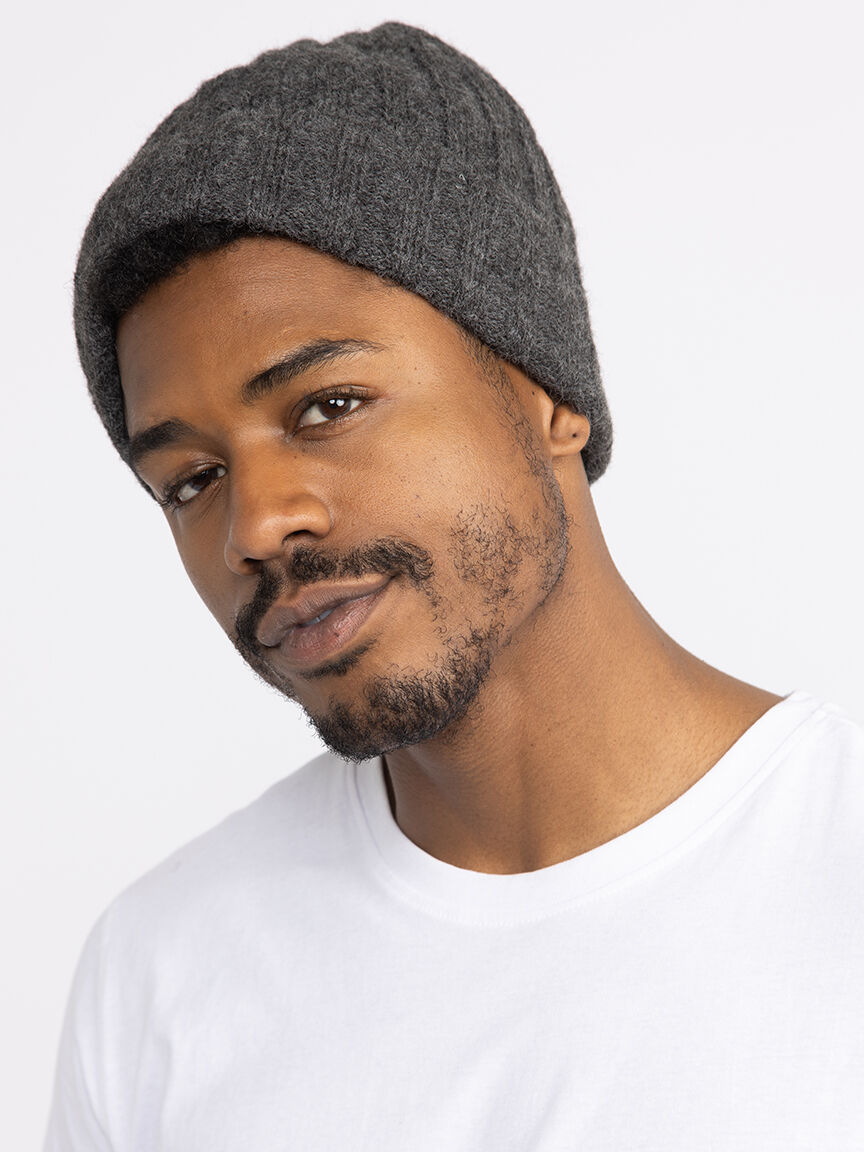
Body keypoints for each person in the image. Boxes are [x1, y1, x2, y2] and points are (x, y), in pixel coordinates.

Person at [46, 21, 864, 1151]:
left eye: (327, 406)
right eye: (190, 479)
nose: (255, 525)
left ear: (549, 394)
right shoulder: (161, 979)